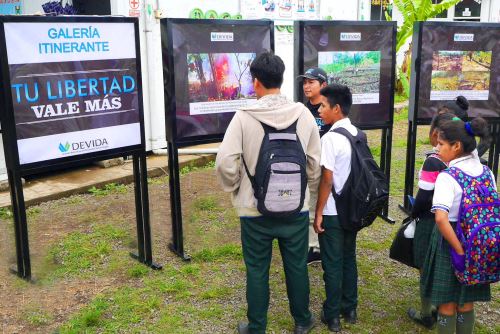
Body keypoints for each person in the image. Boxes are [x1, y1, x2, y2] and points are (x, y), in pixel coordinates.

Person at [216, 52, 321, 334]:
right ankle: (302, 321)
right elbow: (314, 165)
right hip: (296, 209)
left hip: (253, 210)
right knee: (297, 266)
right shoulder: (304, 116)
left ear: (256, 81)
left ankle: (256, 326)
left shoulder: (243, 117)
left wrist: (237, 187)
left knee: (257, 269)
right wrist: (305, 192)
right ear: (283, 79)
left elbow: (226, 163)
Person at [420, 117, 494, 334]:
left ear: (456, 146)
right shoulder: (486, 172)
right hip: (477, 243)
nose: (437, 148)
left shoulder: (447, 176)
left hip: (450, 241)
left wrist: (459, 251)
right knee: (466, 301)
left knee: (447, 303)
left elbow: (441, 219)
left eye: (441, 144)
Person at [313, 83, 358, 332]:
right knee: (349, 258)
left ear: (336, 108)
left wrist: (318, 212)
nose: (320, 110)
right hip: (352, 209)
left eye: (323, 106)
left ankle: (332, 315)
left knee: (332, 262)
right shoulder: (356, 133)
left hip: (333, 210)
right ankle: (350, 307)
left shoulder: (330, 138)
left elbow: (327, 179)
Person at [407, 112, 455, 329]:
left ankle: (427, 312)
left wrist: (412, 213)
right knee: (443, 265)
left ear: (435, 133)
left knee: (426, 266)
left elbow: (424, 196)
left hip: (430, 220)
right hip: (452, 222)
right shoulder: (459, 160)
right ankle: (440, 306)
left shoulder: (433, 162)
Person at [297, 67, 329, 265]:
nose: (306, 86)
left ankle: (320, 244)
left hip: (327, 166)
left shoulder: (329, 109)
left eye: (311, 82)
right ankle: (312, 246)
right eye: (305, 82)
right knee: (309, 203)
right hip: (308, 166)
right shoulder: (300, 111)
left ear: (323, 85)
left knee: (325, 205)